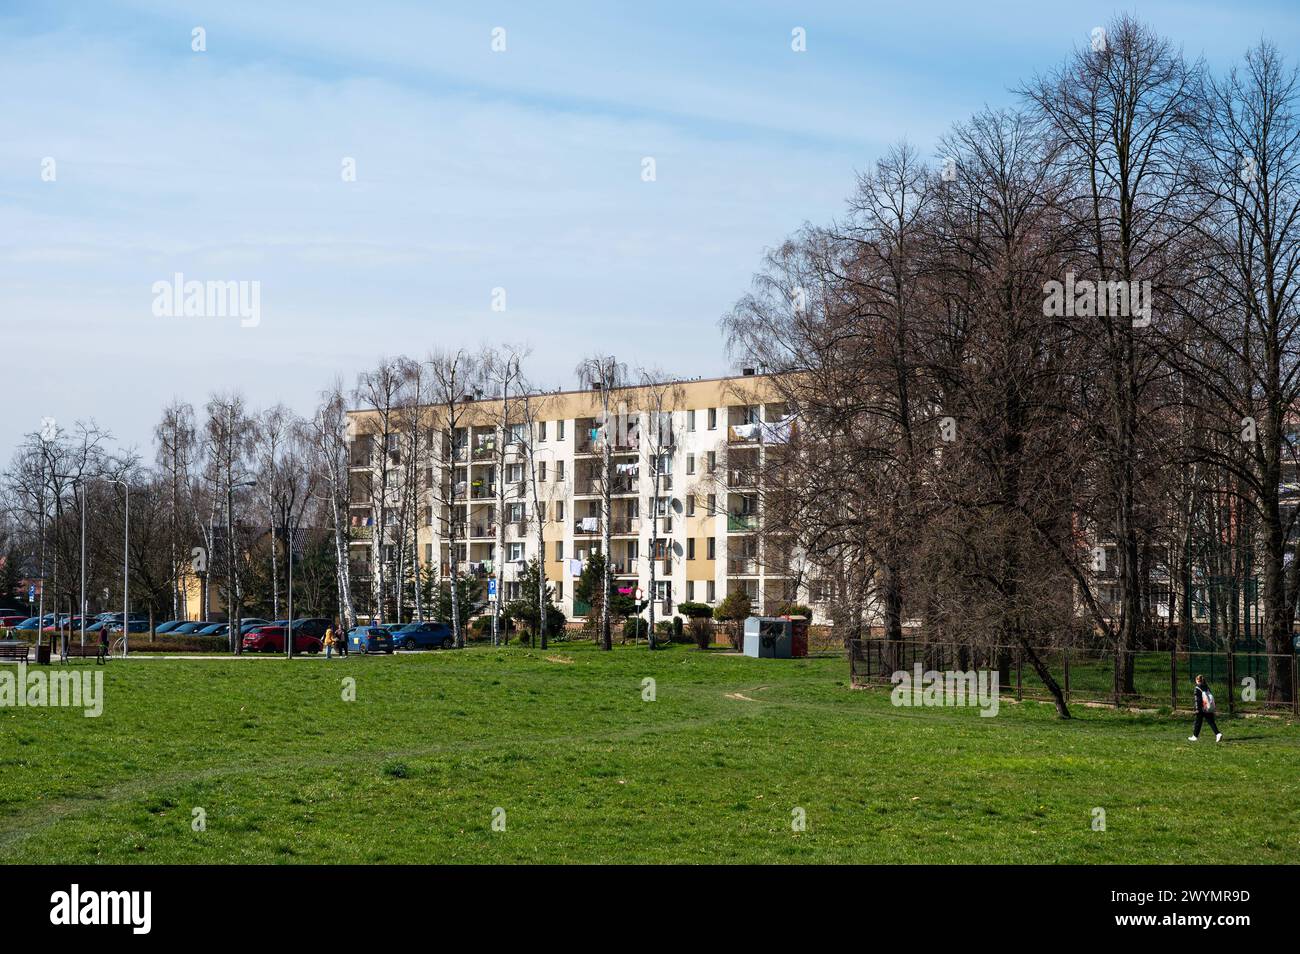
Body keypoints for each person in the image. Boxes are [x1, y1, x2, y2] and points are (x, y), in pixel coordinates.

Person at [1189, 674, 1222, 742]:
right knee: (1211, 722)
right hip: (1207, 707)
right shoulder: (1206, 687)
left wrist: (1197, 709)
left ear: (1197, 680)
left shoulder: (1197, 688)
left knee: (1198, 722)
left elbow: (1197, 700)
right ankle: (1218, 734)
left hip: (1201, 708)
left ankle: (1195, 736)